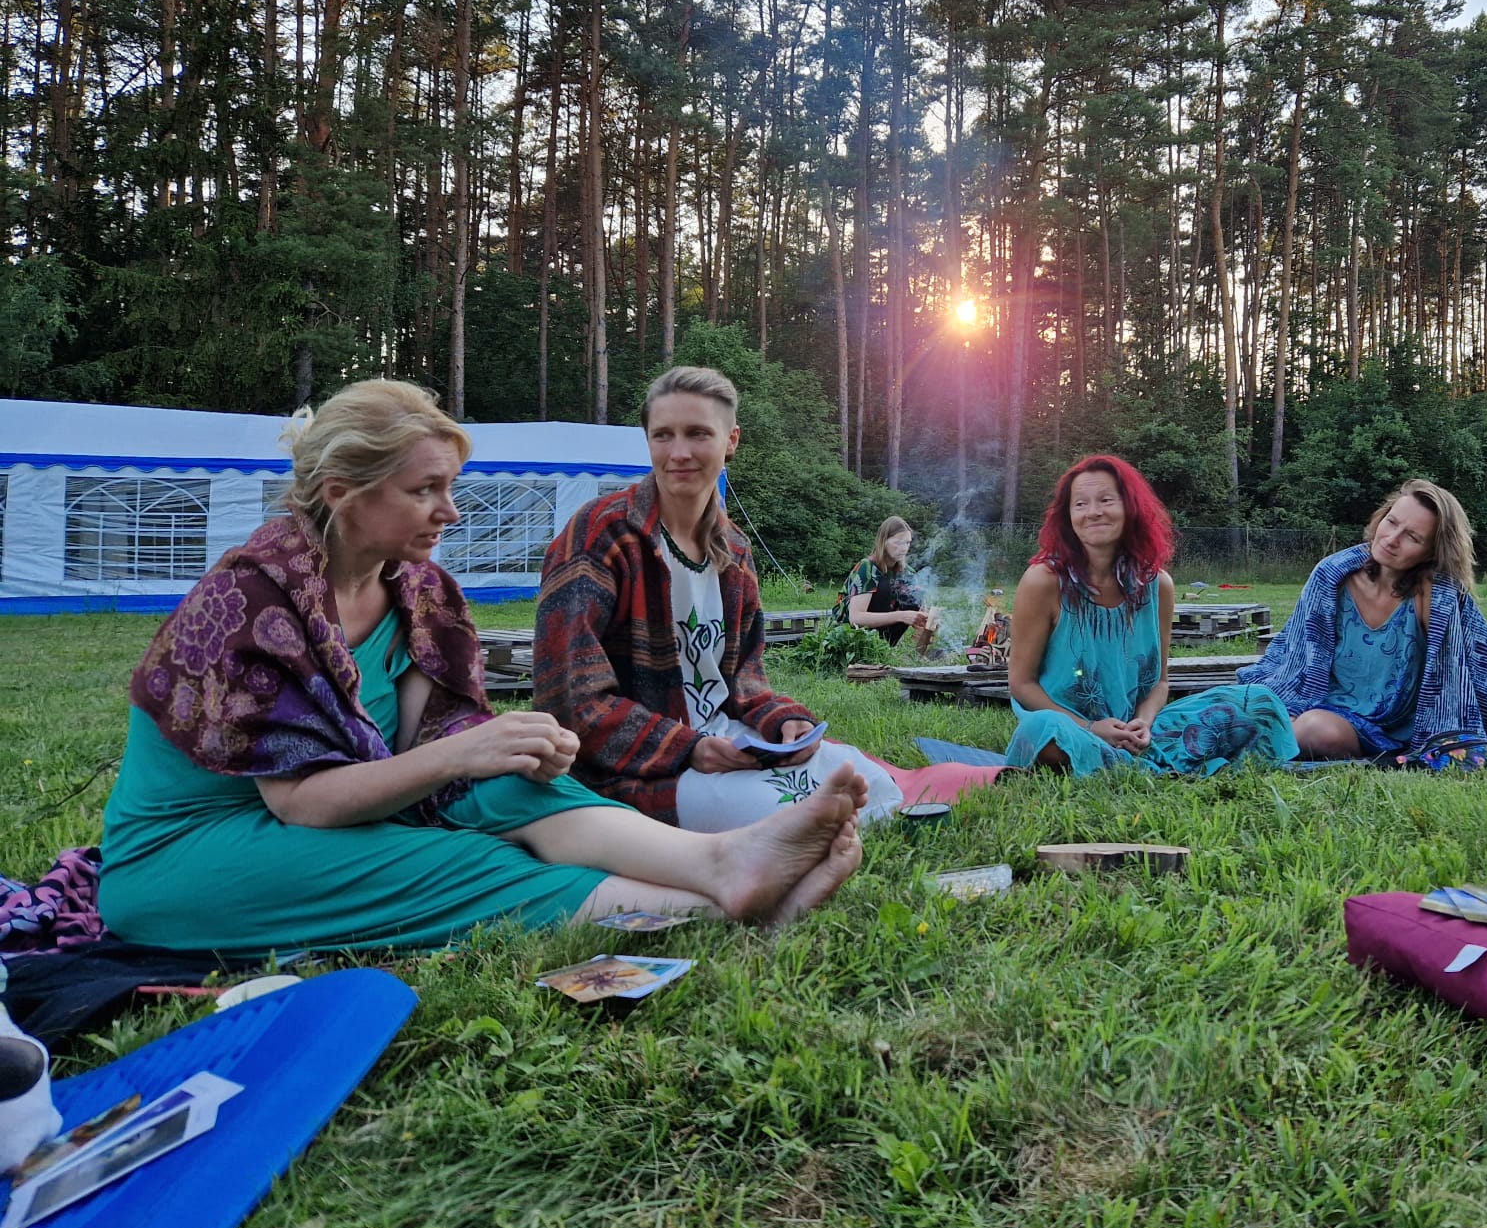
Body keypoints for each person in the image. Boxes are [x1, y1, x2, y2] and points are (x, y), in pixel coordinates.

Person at [96, 380, 865, 959]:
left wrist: (509, 750)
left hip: (339, 810)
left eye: (450, 487)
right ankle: (718, 910)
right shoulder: (251, 601)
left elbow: (432, 746)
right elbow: (303, 802)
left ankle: (721, 861)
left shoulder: (420, 592)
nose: (451, 511)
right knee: (459, 860)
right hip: (198, 849)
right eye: (424, 490)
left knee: (511, 785)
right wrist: (466, 752)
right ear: (343, 495)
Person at [535, 366, 904, 832]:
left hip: (724, 742)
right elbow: (572, 703)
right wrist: (686, 748)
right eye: (663, 435)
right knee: (791, 817)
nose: (679, 452)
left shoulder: (735, 550)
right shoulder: (600, 535)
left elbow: (745, 678)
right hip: (633, 768)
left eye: (698, 433)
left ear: (731, 440)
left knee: (875, 784)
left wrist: (783, 721)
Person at [1004, 455, 1298, 774]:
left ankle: (1124, 760)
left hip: (1140, 733)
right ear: (1068, 516)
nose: (1093, 512)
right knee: (1040, 730)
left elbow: (1159, 682)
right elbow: (1022, 684)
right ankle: (1138, 762)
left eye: (1106, 500)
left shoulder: (1158, 585)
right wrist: (1092, 728)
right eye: (1080, 504)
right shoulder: (1044, 581)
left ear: (1131, 507)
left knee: (1258, 700)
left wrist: (1143, 723)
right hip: (1072, 728)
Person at [1238, 478, 1487, 760]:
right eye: (1391, 522)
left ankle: (1275, 737)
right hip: (1325, 706)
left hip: (1390, 728)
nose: (1391, 539)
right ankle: (1276, 732)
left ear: (1432, 552)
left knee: (1313, 731)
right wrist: (1289, 706)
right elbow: (1296, 656)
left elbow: (1469, 674)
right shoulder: (1331, 575)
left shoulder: (1435, 595)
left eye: (1412, 537)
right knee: (1241, 708)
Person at [833, 516, 932, 645]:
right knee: (884, 587)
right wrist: (901, 616)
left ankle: (887, 645)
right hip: (847, 637)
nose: (904, 548)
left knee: (913, 595)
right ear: (884, 541)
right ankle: (870, 646)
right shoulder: (867, 567)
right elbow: (855, 618)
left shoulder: (908, 573)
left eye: (907, 543)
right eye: (898, 543)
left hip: (882, 641)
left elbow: (916, 607)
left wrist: (924, 619)